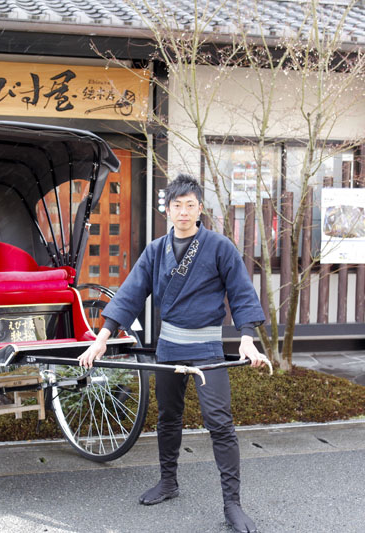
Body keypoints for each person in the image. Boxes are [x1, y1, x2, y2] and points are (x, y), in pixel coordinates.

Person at [78, 174, 267, 533]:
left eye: (190, 205)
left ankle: (233, 504)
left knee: (220, 423)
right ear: (167, 210)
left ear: (200, 209)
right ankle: (168, 481)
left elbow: (241, 293)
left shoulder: (219, 246)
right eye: (176, 205)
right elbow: (131, 293)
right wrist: (103, 337)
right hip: (169, 346)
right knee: (168, 417)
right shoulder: (155, 250)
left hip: (207, 347)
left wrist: (246, 338)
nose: (183, 212)